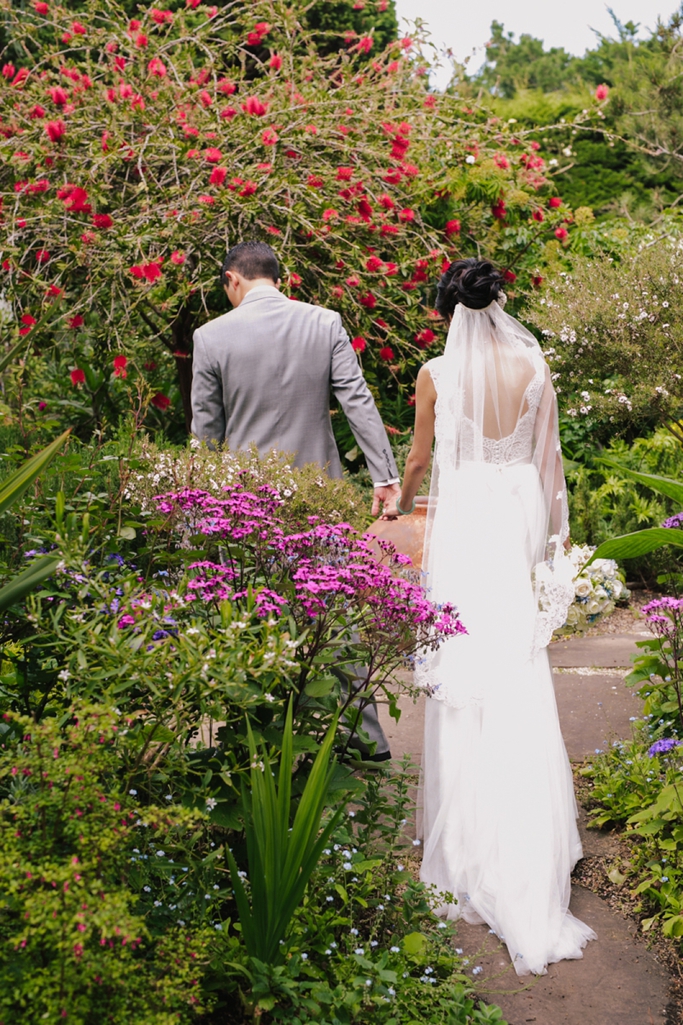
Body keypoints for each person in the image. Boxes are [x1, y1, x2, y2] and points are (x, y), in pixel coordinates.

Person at [383, 258, 596, 975]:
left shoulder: (436, 374)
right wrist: (547, 543)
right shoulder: (536, 365)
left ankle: (471, 839)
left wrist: (398, 497)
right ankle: (528, 831)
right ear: (501, 303)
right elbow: (548, 461)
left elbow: (418, 460)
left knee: (464, 661)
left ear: (450, 310)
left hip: (468, 519)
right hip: (513, 518)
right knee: (513, 664)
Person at [191, 240, 400, 760]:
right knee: (336, 612)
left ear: (232, 281)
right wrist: (384, 476)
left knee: (252, 610)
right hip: (320, 493)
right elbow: (356, 398)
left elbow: (205, 431)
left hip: (247, 504)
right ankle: (363, 739)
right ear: (275, 277)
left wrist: (200, 504)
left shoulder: (210, 335)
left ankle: (258, 737)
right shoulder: (324, 322)